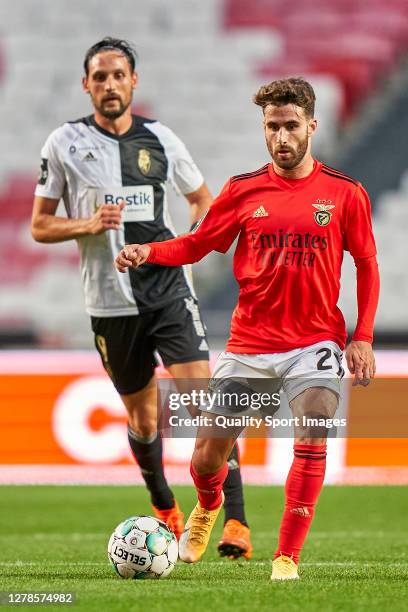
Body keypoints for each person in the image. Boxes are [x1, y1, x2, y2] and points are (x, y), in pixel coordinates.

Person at [115, 77, 380, 580]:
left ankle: (287, 556)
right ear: (264, 128)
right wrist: (149, 250)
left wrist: (361, 336)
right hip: (252, 345)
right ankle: (209, 503)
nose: (282, 137)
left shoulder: (345, 194)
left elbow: (367, 264)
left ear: (312, 126)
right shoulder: (243, 190)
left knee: (315, 425)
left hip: (316, 342)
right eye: (272, 126)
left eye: (291, 126)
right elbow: (195, 245)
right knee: (207, 455)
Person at [31, 36, 252, 558]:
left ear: (134, 81)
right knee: (144, 420)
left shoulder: (162, 139)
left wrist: (184, 246)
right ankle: (163, 505)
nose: (110, 85)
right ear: (86, 85)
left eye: (118, 75)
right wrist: (87, 223)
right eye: (100, 77)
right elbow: (39, 225)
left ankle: (235, 522)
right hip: (109, 304)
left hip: (169, 290)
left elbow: (204, 201)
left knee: (209, 403)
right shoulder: (62, 143)